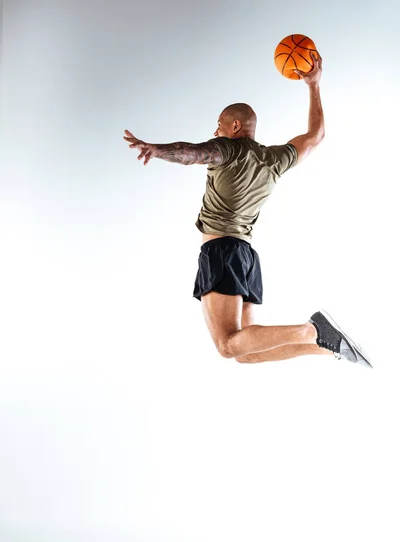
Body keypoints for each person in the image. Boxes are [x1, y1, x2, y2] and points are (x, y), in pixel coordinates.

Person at [123, 53, 372, 368]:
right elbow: (315, 137)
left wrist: (156, 149)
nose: (216, 131)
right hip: (245, 255)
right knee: (245, 352)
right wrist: (314, 85)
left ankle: (314, 329)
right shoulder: (273, 159)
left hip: (221, 251)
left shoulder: (226, 149)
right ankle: (331, 347)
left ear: (235, 126)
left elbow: (192, 153)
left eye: (219, 126)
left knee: (227, 346)